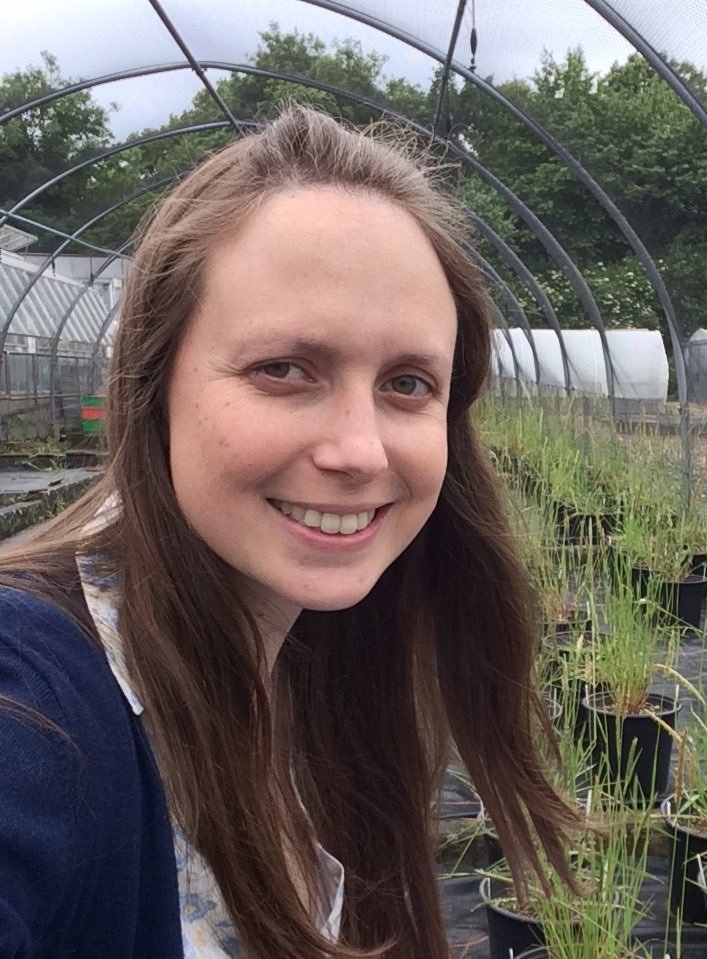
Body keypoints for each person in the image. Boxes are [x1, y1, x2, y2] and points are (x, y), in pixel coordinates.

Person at [0, 106, 579, 958]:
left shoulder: (332, 664)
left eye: (408, 383)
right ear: (152, 383)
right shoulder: (36, 700)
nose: (358, 449)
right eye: (284, 369)